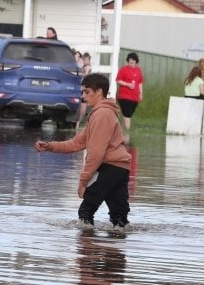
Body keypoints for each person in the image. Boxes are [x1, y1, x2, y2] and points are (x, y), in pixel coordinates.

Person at [35, 73, 132, 229]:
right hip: (121, 167)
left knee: (85, 212)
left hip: (110, 167)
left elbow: (96, 153)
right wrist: (50, 146)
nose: (83, 96)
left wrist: (83, 181)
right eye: (82, 92)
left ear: (99, 91)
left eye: (87, 92)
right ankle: (114, 251)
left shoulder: (101, 114)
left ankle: (87, 251)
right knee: (119, 219)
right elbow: (76, 143)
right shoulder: (101, 113)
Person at [115, 52, 144, 130]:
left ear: (136, 61)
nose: (131, 61)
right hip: (124, 96)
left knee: (127, 114)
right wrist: (127, 84)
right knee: (127, 114)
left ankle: (120, 132)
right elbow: (118, 80)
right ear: (128, 60)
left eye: (133, 59)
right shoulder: (123, 69)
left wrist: (141, 93)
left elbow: (140, 82)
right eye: (130, 59)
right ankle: (127, 132)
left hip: (135, 97)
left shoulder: (138, 70)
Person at [76, 53, 93, 129]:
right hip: (82, 88)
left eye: (86, 60)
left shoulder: (88, 67)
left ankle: (78, 124)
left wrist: (80, 73)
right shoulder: (84, 66)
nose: (85, 61)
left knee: (83, 110)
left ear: (89, 60)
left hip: (84, 89)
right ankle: (78, 123)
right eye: (84, 60)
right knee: (82, 109)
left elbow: (86, 74)